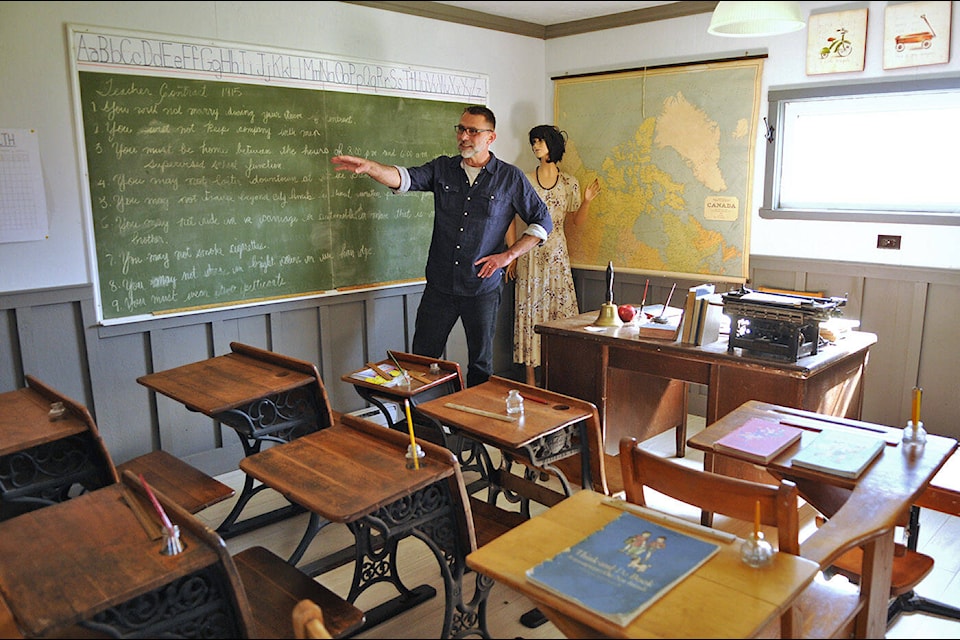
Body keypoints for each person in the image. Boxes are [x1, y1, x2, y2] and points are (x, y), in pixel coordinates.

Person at [331, 106, 553, 387]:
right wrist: (371, 168)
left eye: (473, 131)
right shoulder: (443, 169)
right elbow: (405, 178)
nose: (464, 136)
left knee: (481, 365)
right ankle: (421, 425)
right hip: (440, 287)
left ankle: (475, 428)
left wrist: (508, 256)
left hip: (482, 288)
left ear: (491, 137)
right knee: (421, 361)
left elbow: (543, 221)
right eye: (461, 129)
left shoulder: (510, 178)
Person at [505, 124, 600, 386]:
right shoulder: (522, 179)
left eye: (540, 141)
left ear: (552, 145)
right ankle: (531, 379)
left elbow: (576, 222)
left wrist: (588, 201)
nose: (535, 146)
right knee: (529, 313)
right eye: (533, 141)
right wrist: (511, 255)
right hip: (530, 254)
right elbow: (509, 218)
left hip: (558, 255)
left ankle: (560, 376)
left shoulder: (570, 183)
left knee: (561, 313)